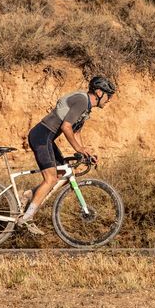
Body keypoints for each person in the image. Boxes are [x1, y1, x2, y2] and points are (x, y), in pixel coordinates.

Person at [19, 75, 117, 231]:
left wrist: (85, 152)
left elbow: (76, 132)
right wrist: (79, 149)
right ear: (99, 92)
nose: (109, 99)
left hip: (47, 139)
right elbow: (66, 127)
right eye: (108, 95)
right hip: (41, 136)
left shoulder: (86, 109)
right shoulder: (81, 101)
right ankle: (27, 218)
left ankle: (27, 195)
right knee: (50, 179)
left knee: (65, 174)